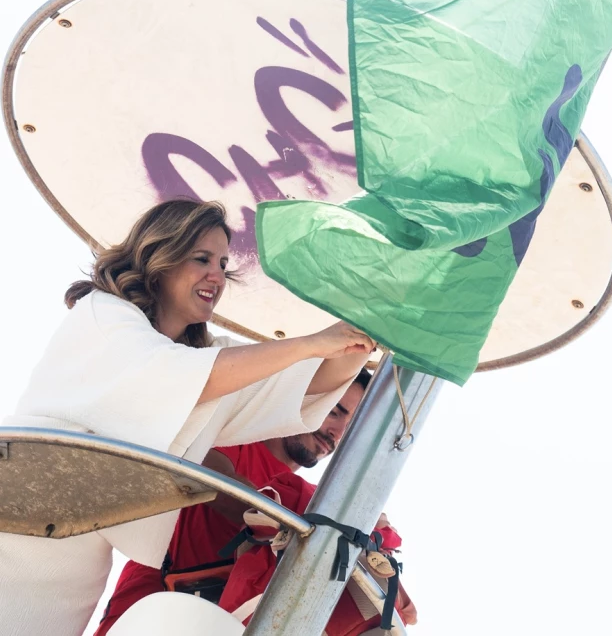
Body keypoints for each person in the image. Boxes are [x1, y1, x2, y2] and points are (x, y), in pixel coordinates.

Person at [0, 199, 375, 636]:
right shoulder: (103, 315)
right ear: (159, 257)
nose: (217, 275)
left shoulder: (204, 360)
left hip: (78, 554)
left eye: (222, 262)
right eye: (201, 259)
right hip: (16, 524)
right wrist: (310, 343)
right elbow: (185, 376)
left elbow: (307, 385)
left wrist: (362, 328)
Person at [94, 370, 370, 635]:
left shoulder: (310, 500)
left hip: (224, 623)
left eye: (350, 426)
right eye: (334, 411)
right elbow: (210, 477)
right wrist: (301, 521)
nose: (337, 432)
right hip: (148, 609)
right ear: (303, 397)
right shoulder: (233, 436)